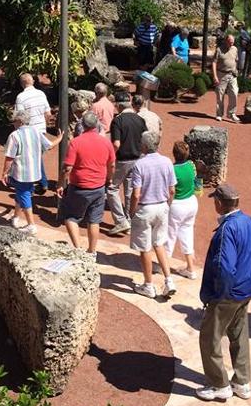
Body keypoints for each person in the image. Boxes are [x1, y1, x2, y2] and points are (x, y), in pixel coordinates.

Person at [196, 183, 251, 401]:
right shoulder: (250, 221)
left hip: (228, 294)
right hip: (246, 290)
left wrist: (220, 294)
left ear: (219, 203)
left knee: (209, 337)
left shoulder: (227, 229)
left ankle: (219, 384)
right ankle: (242, 381)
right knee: (239, 334)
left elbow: (224, 267)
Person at [58, 111, 115, 255]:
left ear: (82, 125)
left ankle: (77, 248)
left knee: (71, 217)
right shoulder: (106, 142)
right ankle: (92, 250)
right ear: (97, 125)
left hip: (79, 187)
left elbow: (67, 168)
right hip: (98, 187)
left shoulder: (76, 142)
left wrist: (60, 183)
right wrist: (109, 179)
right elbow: (112, 164)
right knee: (94, 220)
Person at [128, 131, 177, 298]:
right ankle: (169, 280)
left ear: (143, 146)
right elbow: (172, 190)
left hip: (145, 208)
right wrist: (167, 205)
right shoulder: (167, 162)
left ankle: (148, 285)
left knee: (145, 248)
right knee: (159, 244)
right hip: (162, 207)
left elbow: (136, 194)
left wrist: (132, 211)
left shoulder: (139, 165)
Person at [3, 111, 62, 234]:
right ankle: (16, 217)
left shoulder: (15, 135)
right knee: (21, 193)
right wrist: (59, 138)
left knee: (24, 194)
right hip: (34, 172)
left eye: (15, 121)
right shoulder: (36, 131)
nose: (13, 123)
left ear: (20, 121)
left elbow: (9, 157)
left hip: (21, 173)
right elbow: (49, 145)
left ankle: (31, 224)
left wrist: (4, 172)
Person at [106, 93, 147, 236]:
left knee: (112, 189)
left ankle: (120, 221)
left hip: (122, 161)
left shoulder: (118, 120)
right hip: (138, 160)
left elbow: (116, 144)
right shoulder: (140, 120)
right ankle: (129, 221)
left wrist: (110, 157)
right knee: (129, 191)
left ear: (118, 105)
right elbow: (145, 140)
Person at [166, 141, 199, 279]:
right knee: (187, 233)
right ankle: (190, 268)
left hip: (177, 205)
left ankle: (163, 265)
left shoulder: (172, 169)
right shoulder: (191, 165)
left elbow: (170, 190)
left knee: (169, 235)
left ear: (174, 153)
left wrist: (167, 204)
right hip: (191, 202)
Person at [15, 73, 52, 193]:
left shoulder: (21, 97)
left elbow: (20, 117)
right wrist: (43, 124)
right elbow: (48, 113)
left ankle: (40, 183)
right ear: (33, 82)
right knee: (36, 156)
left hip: (29, 131)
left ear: (22, 84)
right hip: (41, 129)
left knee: (31, 158)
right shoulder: (41, 94)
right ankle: (41, 182)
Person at [212, 33, 240, 123]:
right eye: (230, 42)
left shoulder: (235, 49)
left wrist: (236, 69)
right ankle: (219, 114)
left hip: (232, 75)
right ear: (225, 41)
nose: (231, 44)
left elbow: (236, 60)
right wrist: (215, 76)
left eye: (233, 42)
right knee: (220, 95)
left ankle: (231, 114)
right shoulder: (219, 50)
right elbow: (214, 62)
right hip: (221, 74)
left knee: (234, 93)